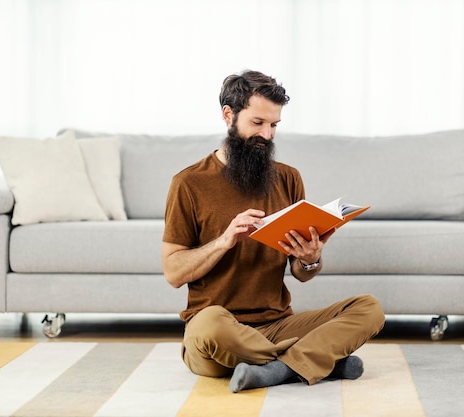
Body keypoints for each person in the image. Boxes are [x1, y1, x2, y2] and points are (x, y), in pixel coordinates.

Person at [161, 70, 385, 393]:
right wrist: (224, 241)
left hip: (278, 325)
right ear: (229, 115)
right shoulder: (188, 183)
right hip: (217, 330)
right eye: (257, 123)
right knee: (209, 325)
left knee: (369, 308)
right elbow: (172, 272)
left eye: (274, 125)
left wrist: (309, 259)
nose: (266, 135)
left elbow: (302, 274)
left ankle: (276, 369)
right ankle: (314, 361)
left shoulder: (288, 178)